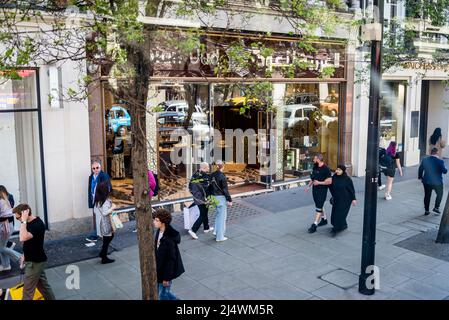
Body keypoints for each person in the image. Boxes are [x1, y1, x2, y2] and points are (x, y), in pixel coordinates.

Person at [12, 204, 55, 300]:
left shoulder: (37, 225)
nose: (18, 220)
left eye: (18, 218)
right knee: (44, 287)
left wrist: (23, 221)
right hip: (33, 259)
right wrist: (24, 255)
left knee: (27, 291)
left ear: (24, 214)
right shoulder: (28, 223)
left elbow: (22, 238)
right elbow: (29, 243)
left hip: (35, 262)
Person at [153, 209, 184, 300]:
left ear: (163, 222)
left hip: (165, 272)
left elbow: (171, 259)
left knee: (162, 295)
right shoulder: (160, 231)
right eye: (154, 219)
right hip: (160, 269)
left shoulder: (169, 239)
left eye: (156, 220)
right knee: (163, 293)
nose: (154, 222)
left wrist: (166, 278)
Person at [87, 160, 112, 243]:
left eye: (97, 167)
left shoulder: (104, 176)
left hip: (101, 200)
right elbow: (90, 189)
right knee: (97, 216)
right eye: (93, 168)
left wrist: (104, 198)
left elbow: (109, 188)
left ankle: (103, 233)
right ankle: (99, 233)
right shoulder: (91, 177)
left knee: (102, 217)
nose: (95, 169)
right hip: (95, 200)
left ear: (100, 168)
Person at [307, 154, 332, 234]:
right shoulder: (315, 167)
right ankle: (324, 219)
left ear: (318, 159)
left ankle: (314, 224)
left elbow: (329, 181)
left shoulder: (326, 169)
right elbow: (313, 178)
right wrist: (308, 186)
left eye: (314, 158)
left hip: (322, 190)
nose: (313, 160)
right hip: (315, 190)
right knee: (319, 205)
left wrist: (319, 183)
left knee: (318, 206)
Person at [419, 147, 448, 215]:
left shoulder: (425, 160)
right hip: (437, 182)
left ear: (430, 153)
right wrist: (445, 169)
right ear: (437, 152)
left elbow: (420, 169)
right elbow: (444, 171)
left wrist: (420, 177)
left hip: (426, 181)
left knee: (427, 196)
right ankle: (436, 207)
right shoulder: (440, 161)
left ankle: (426, 210)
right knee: (440, 194)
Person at [329, 165, 357, 236]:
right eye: (337, 169)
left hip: (346, 199)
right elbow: (331, 187)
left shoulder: (347, 179)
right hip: (337, 199)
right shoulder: (334, 177)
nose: (337, 171)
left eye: (339, 170)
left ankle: (336, 229)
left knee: (339, 214)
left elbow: (351, 190)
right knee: (335, 213)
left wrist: (354, 199)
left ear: (343, 171)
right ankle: (343, 226)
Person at [188, 162, 212, 239]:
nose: (209, 169)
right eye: (208, 167)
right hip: (202, 198)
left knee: (205, 211)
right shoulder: (204, 176)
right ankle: (193, 230)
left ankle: (206, 228)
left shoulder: (195, 174)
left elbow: (190, 186)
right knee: (203, 214)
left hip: (197, 197)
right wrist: (207, 198)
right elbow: (206, 188)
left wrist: (194, 195)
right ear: (204, 168)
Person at [209, 160, 232, 242]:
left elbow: (209, 187)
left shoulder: (212, 175)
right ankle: (220, 237)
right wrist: (229, 200)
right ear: (223, 166)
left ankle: (216, 231)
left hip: (213, 197)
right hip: (220, 198)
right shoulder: (222, 176)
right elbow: (225, 190)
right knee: (222, 218)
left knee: (218, 215)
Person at [94, 181, 116, 264]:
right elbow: (104, 212)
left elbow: (96, 211)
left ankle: (103, 253)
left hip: (101, 223)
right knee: (108, 238)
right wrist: (113, 207)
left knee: (108, 238)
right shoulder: (105, 201)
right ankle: (104, 257)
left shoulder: (98, 200)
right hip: (105, 223)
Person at [0, 189, 21, 272]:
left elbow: (5, 215)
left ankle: (21, 257)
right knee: (2, 246)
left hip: (4, 226)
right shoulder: (7, 200)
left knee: (1, 248)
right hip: (7, 225)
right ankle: (6, 265)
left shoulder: (2, 202)